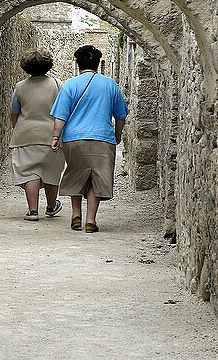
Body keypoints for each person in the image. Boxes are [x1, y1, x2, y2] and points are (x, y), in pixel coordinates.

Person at [50, 45, 128, 233]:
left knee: (77, 174)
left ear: (78, 64)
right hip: (102, 138)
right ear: (98, 63)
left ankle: (76, 216)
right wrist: (117, 134)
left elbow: (60, 116)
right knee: (96, 178)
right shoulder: (110, 84)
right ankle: (90, 221)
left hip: (74, 139)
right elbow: (121, 115)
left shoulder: (70, 85)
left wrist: (55, 137)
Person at [9, 50, 66, 220]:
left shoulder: (20, 87)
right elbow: (63, 111)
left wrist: (18, 129)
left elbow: (14, 113)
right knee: (51, 171)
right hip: (51, 135)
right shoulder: (58, 85)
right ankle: (51, 206)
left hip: (25, 135)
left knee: (29, 172)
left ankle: (33, 210)